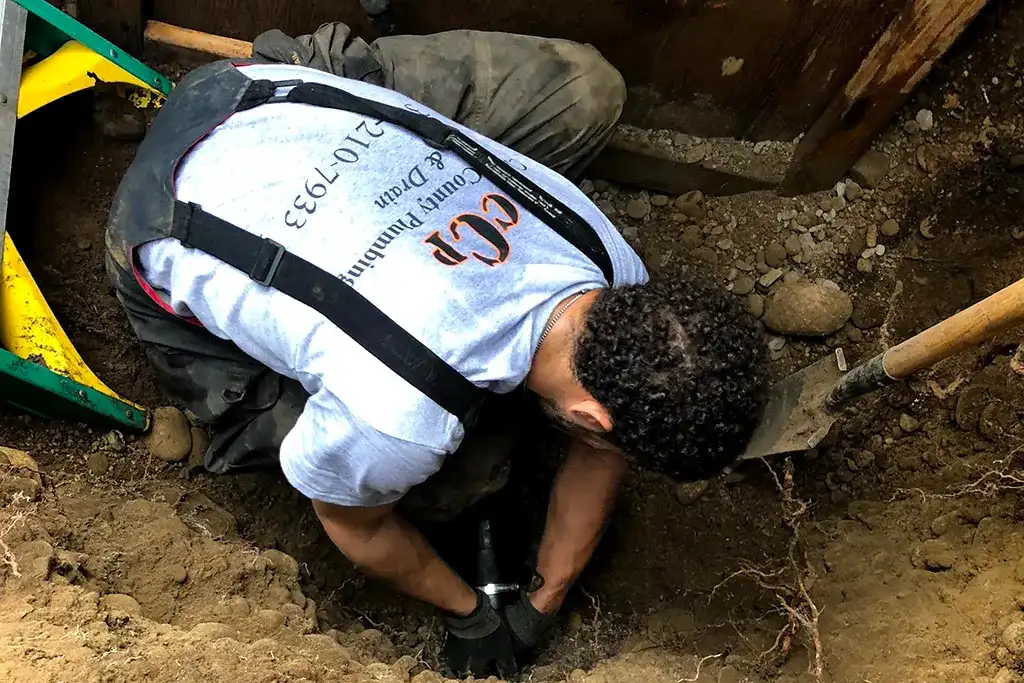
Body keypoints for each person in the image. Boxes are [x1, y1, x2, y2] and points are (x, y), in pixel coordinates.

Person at [104, 22, 767, 678]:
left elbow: (602, 449)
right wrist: (468, 611)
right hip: (160, 214)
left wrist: (542, 601)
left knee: (586, 90)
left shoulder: (604, 254)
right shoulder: (398, 416)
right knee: (458, 481)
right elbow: (353, 525)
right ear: (594, 418)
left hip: (284, 97)